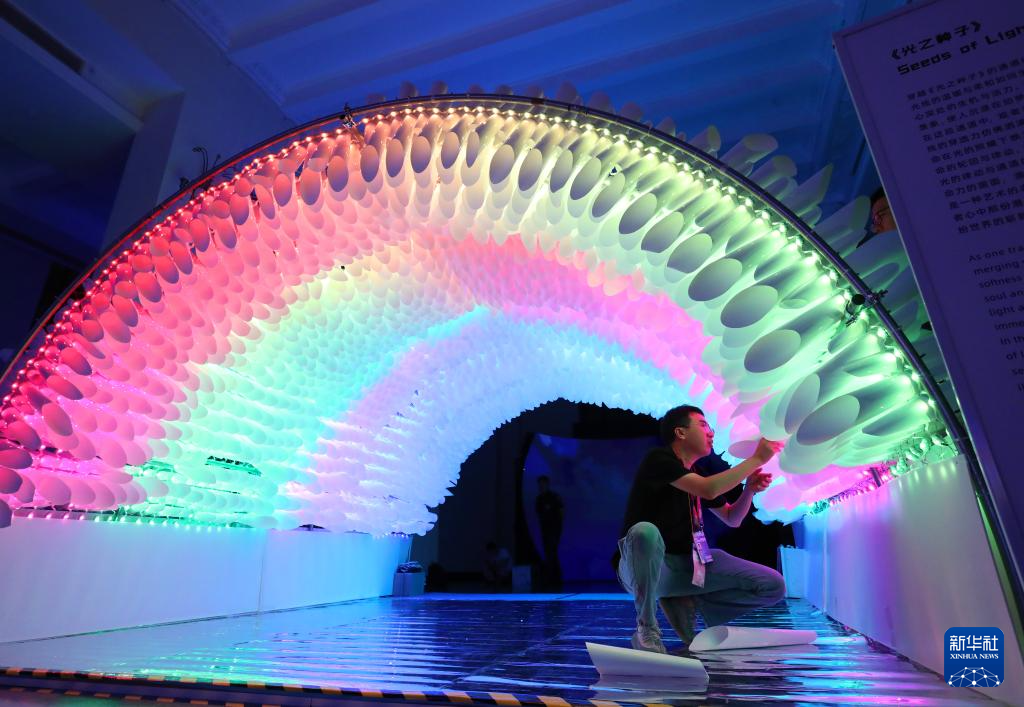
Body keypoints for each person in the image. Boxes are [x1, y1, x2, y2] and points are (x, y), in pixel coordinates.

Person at [614, 404, 786, 653]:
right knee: (645, 532)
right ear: (680, 432)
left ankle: (693, 603)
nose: (711, 432)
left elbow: (732, 518)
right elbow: (709, 489)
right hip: (644, 568)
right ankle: (646, 629)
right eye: (703, 425)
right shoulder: (658, 460)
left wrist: (749, 490)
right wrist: (757, 459)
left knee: (773, 585)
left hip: (688, 565)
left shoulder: (697, 473)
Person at [535, 475, 564, 587]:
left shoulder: (554, 497)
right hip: (545, 530)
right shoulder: (539, 499)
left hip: (554, 529)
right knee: (549, 553)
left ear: (547, 484)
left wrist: (558, 527)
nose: (541, 486)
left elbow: (561, 511)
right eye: (539, 484)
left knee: (552, 552)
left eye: (543, 484)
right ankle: (553, 578)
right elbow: (539, 514)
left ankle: (553, 578)